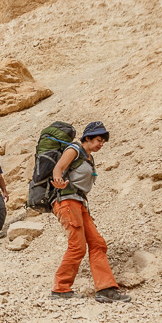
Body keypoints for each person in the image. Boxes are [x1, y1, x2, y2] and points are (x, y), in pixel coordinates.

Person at [49, 121, 129, 303]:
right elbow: (58, 167)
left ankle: (106, 289)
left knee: (98, 243)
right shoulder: (74, 149)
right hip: (67, 201)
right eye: (98, 140)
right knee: (77, 246)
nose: (101, 144)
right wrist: (58, 180)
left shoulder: (88, 157)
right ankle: (60, 288)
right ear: (87, 138)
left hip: (79, 203)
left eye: (103, 141)